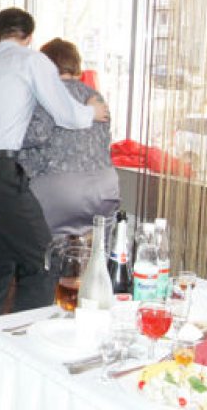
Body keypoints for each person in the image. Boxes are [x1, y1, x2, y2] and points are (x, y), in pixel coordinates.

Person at [0, 8, 109, 374]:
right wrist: (92, 113)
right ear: (29, 37)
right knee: (43, 263)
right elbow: (66, 114)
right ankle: (19, 359)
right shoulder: (32, 61)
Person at [19, 38, 120, 301]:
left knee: (47, 260)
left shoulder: (45, 96)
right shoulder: (95, 96)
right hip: (105, 186)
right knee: (96, 262)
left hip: (59, 189)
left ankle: (46, 308)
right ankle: (93, 307)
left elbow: (32, 138)